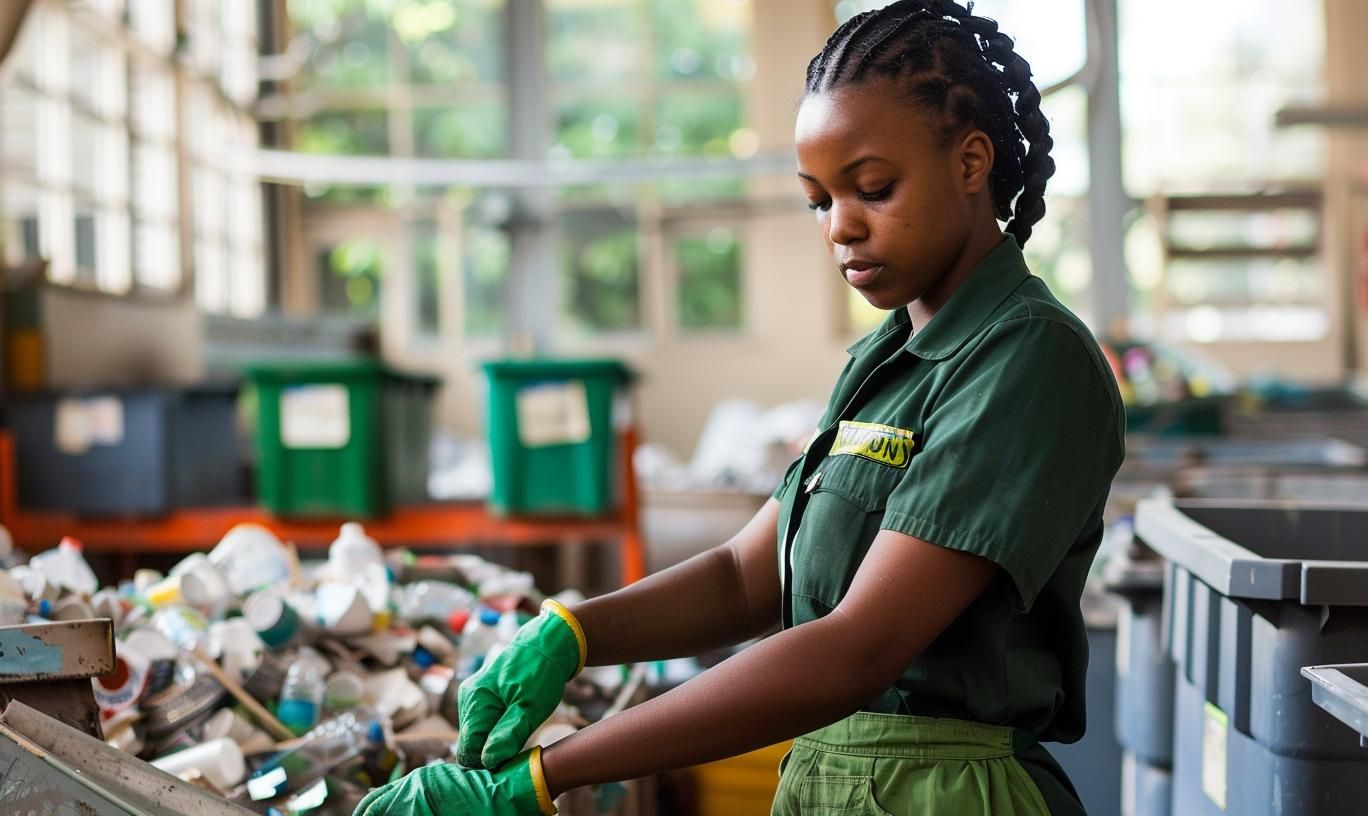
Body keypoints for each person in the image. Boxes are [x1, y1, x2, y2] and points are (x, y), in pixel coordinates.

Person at [355, 2, 1124, 813]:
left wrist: (546, 775)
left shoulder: (1029, 359)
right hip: (835, 785)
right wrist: (572, 634)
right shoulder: (880, 362)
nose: (841, 228)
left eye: (872, 188)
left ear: (972, 163)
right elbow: (744, 576)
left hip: (947, 794)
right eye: (818, 200)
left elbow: (854, 650)